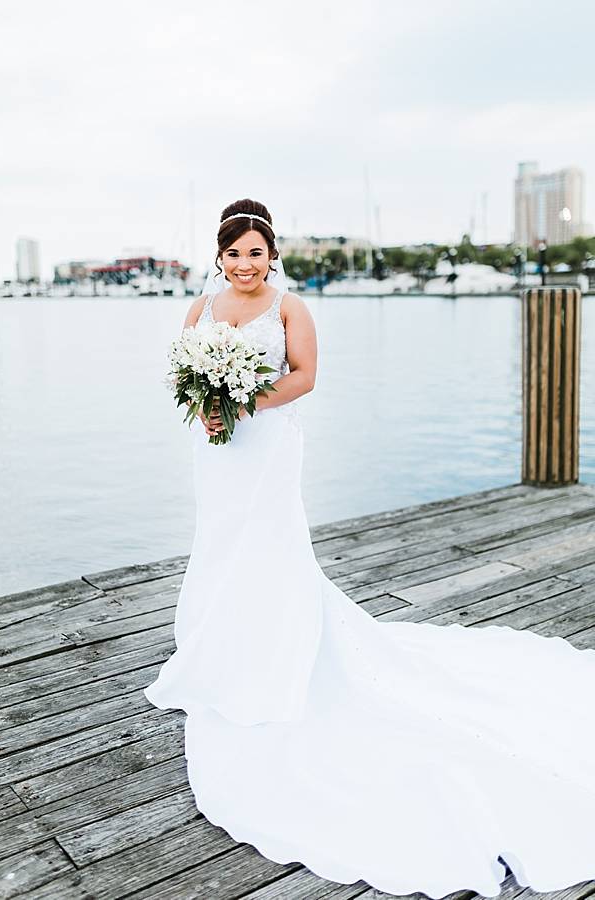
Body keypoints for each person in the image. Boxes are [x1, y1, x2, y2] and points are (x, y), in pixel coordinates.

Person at [145, 199, 595, 898]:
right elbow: (182, 370)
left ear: (271, 255)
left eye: (255, 252)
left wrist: (244, 400)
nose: (244, 264)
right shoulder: (200, 308)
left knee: (268, 544)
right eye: (233, 253)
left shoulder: (290, 307)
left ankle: (274, 653)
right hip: (218, 452)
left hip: (267, 445)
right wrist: (206, 402)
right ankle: (215, 647)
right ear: (219, 257)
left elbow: (304, 376)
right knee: (220, 543)